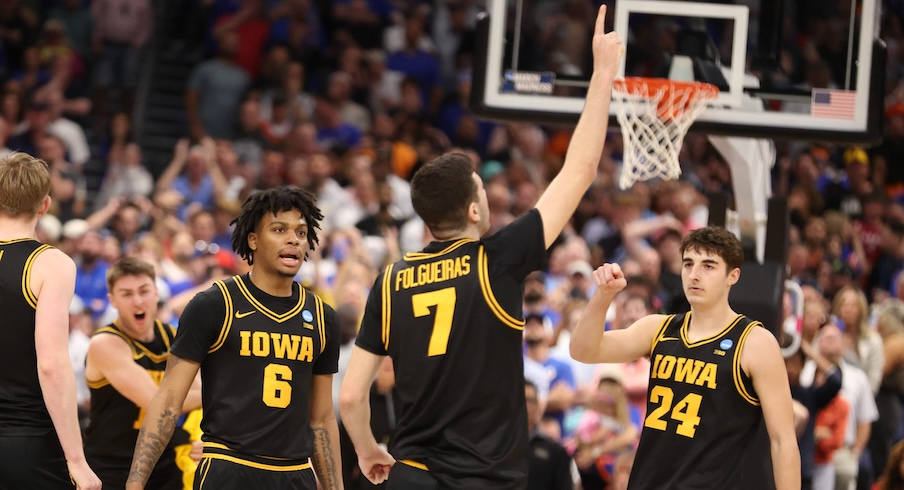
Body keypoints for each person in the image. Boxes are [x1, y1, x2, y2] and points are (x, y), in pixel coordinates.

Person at [338, 5, 624, 488]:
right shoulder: (497, 259)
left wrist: (368, 450)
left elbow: (350, 398)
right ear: (473, 210)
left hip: (411, 475)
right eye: (481, 189)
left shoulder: (391, 280)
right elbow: (579, 170)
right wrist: (601, 77)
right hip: (485, 478)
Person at [126, 186, 343, 489]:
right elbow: (168, 400)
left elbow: (320, 421)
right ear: (253, 239)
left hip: (295, 473)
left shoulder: (323, 317)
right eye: (279, 229)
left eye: (301, 232)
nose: (294, 239)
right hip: (229, 469)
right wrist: (135, 484)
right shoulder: (214, 305)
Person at [570, 226, 801, 489]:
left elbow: (783, 441)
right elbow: (583, 350)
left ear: (732, 276)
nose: (694, 274)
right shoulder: (658, 329)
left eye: (708, 266)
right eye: (688, 264)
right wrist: (603, 296)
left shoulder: (754, 342)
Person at [0, 152, 101, 489]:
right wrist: (76, 459)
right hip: (24, 437)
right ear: (44, 206)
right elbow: (52, 366)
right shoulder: (50, 263)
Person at [84, 256, 202, 489]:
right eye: (127, 294)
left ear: (156, 294)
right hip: (113, 466)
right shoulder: (106, 344)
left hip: (164, 461)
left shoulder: (173, 336)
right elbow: (156, 402)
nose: (138, 301)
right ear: (112, 300)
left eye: (144, 291)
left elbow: (198, 392)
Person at [525, 380, 576, 490]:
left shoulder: (555, 450)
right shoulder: (499, 444)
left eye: (528, 400)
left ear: (537, 405)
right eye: (519, 399)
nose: (523, 405)